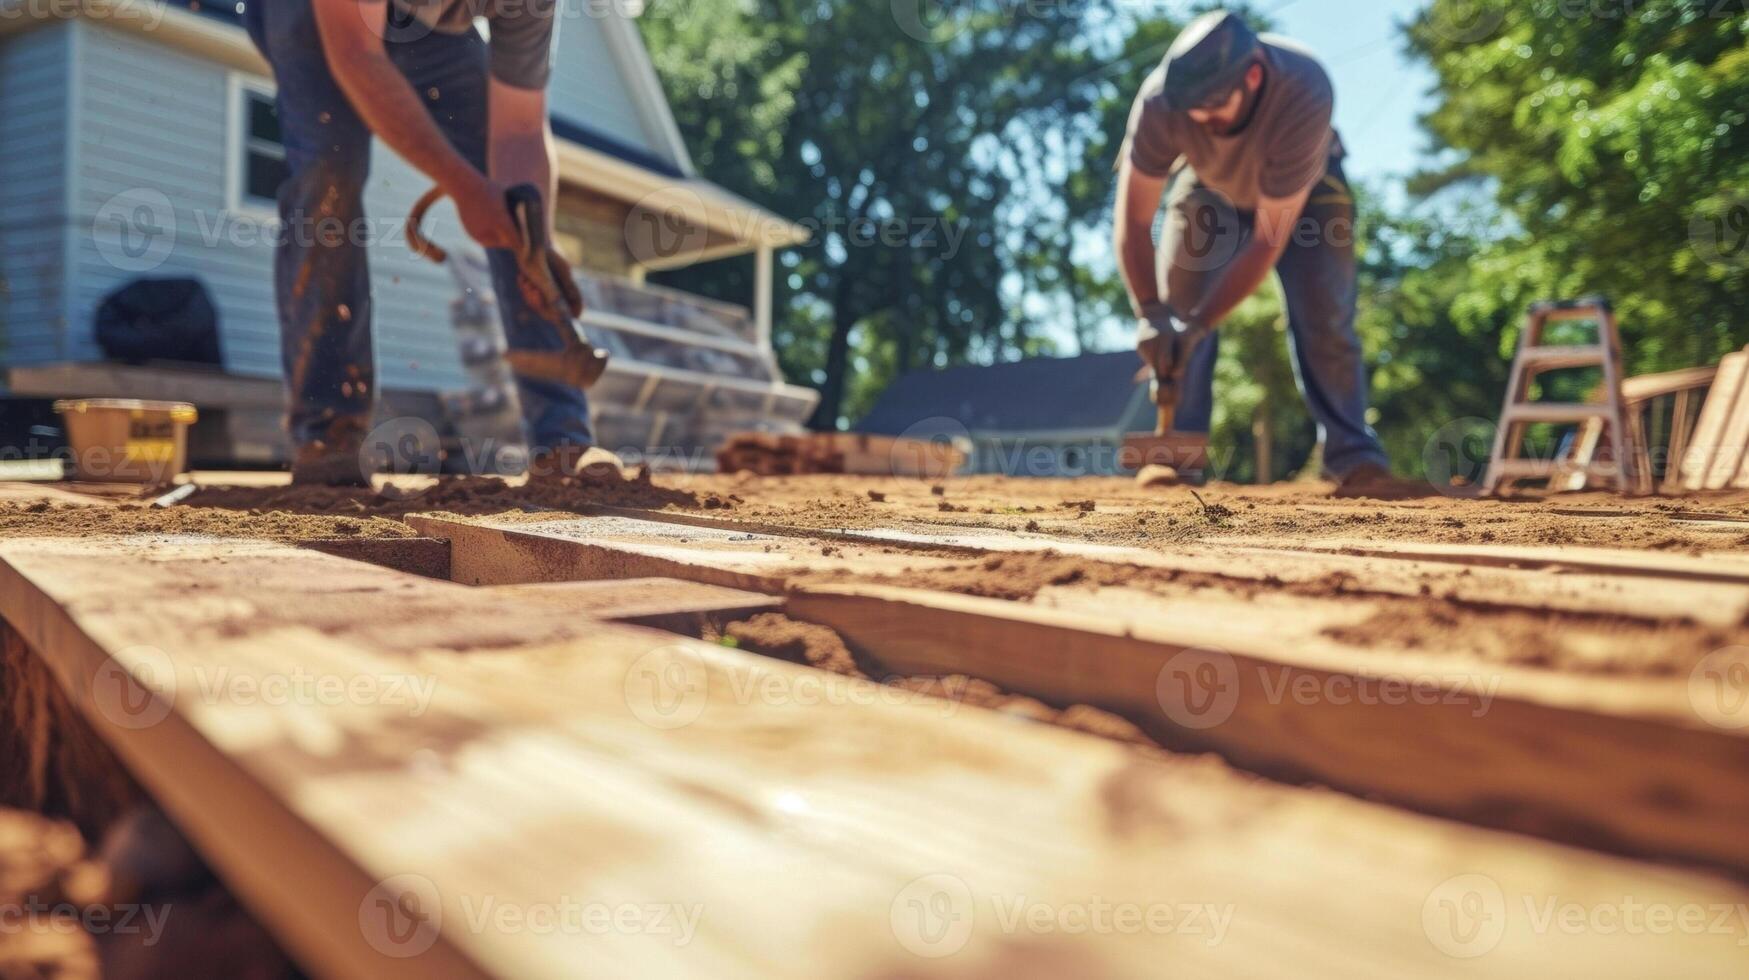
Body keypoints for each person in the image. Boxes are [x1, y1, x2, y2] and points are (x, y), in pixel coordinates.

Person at [242, 0, 611, 485]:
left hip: (428, 28)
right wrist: (467, 188)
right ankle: (326, 431)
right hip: (309, 13)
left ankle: (561, 441)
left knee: (519, 209)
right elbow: (356, 55)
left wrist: (531, 244)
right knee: (329, 171)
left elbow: (520, 128)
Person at [1113, 9, 1394, 492]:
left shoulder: (1304, 87)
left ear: (1254, 75)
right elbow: (1134, 221)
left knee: (1324, 313)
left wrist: (1202, 325)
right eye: (1192, 109)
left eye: (1214, 106)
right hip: (1209, 185)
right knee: (1175, 313)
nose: (1202, 118)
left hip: (1306, 196)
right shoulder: (1161, 101)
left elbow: (1268, 238)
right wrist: (1151, 315)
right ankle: (1176, 455)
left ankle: (1353, 456)